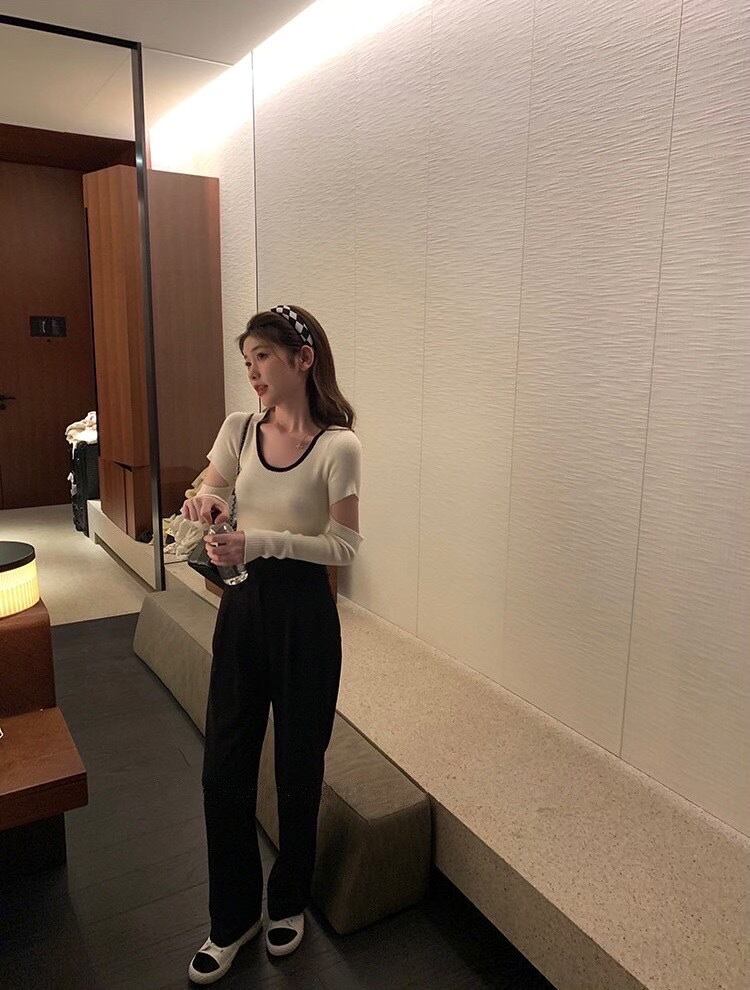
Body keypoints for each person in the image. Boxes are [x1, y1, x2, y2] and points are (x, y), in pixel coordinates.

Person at [180, 305, 363, 985]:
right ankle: (232, 918)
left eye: (262, 356)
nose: (253, 371)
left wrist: (260, 541)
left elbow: (344, 547)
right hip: (244, 610)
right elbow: (212, 486)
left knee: (298, 767)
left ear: (302, 358)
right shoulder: (239, 428)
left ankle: (288, 900)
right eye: (247, 359)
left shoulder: (338, 446)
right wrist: (205, 502)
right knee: (222, 767)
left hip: (305, 618)